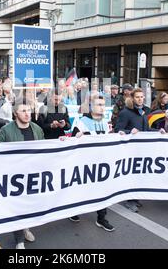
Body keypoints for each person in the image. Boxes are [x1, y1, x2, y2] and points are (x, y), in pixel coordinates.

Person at [0, 102, 45, 249]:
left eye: (29, 111)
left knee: (29, 206)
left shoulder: (37, 129)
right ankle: (19, 239)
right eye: (23, 111)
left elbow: (45, 149)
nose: (27, 114)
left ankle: (25, 227)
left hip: (33, 174)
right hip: (14, 177)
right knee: (17, 207)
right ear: (15, 114)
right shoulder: (6, 130)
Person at [69, 96, 116, 232]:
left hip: (102, 161)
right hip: (86, 163)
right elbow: (73, 141)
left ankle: (101, 218)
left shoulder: (105, 121)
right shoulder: (82, 122)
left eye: (103, 104)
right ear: (91, 107)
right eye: (99, 104)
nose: (102, 107)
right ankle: (73, 210)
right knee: (82, 188)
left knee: (103, 189)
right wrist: (76, 137)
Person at [114, 88, 164, 212]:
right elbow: (117, 130)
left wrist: (158, 131)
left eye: (142, 97)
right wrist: (129, 132)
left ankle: (134, 197)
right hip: (130, 150)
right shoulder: (126, 112)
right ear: (132, 98)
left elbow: (145, 131)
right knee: (131, 174)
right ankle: (129, 200)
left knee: (139, 175)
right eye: (137, 97)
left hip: (141, 149)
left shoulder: (143, 112)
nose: (140, 99)